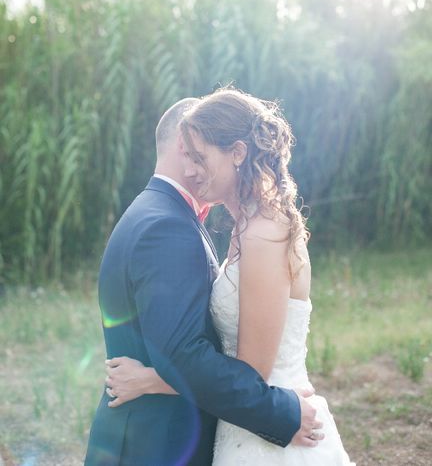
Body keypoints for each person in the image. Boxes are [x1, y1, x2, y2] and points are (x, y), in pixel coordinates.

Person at [105, 88, 355, 465]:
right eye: (187, 156)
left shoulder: (263, 232)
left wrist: (152, 380)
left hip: (271, 434)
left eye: (200, 157)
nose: (191, 170)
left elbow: (252, 371)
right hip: (244, 424)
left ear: (237, 153)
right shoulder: (243, 228)